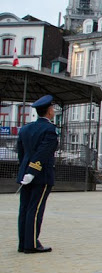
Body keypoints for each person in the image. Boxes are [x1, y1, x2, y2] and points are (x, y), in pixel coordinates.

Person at [16, 95, 58, 253]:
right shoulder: (50, 129)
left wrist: (25, 171)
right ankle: (32, 244)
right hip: (41, 175)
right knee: (35, 210)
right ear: (48, 112)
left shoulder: (25, 128)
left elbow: (21, 153)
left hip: (25, 174)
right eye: (52, 109)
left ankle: (23, 243)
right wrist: (33, 171)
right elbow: (43, 152)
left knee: (25, 209)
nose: (53, 111)